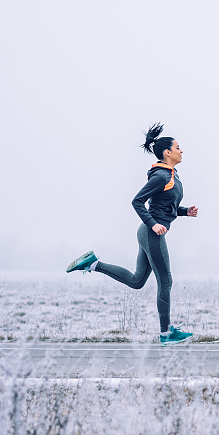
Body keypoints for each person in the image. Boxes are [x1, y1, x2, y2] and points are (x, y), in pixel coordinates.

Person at [66, 123, 197, 346]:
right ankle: (166, 334)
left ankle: (93, 264)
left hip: (149, 232)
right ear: (167, 152)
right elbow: (137, 202)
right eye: (178, 147)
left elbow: (164, 206)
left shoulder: (171, 175)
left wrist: (184, 211)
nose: (181, 150)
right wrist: (154, 225)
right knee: (165, 280)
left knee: (137, 281)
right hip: (151, 233)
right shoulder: (160, 177)